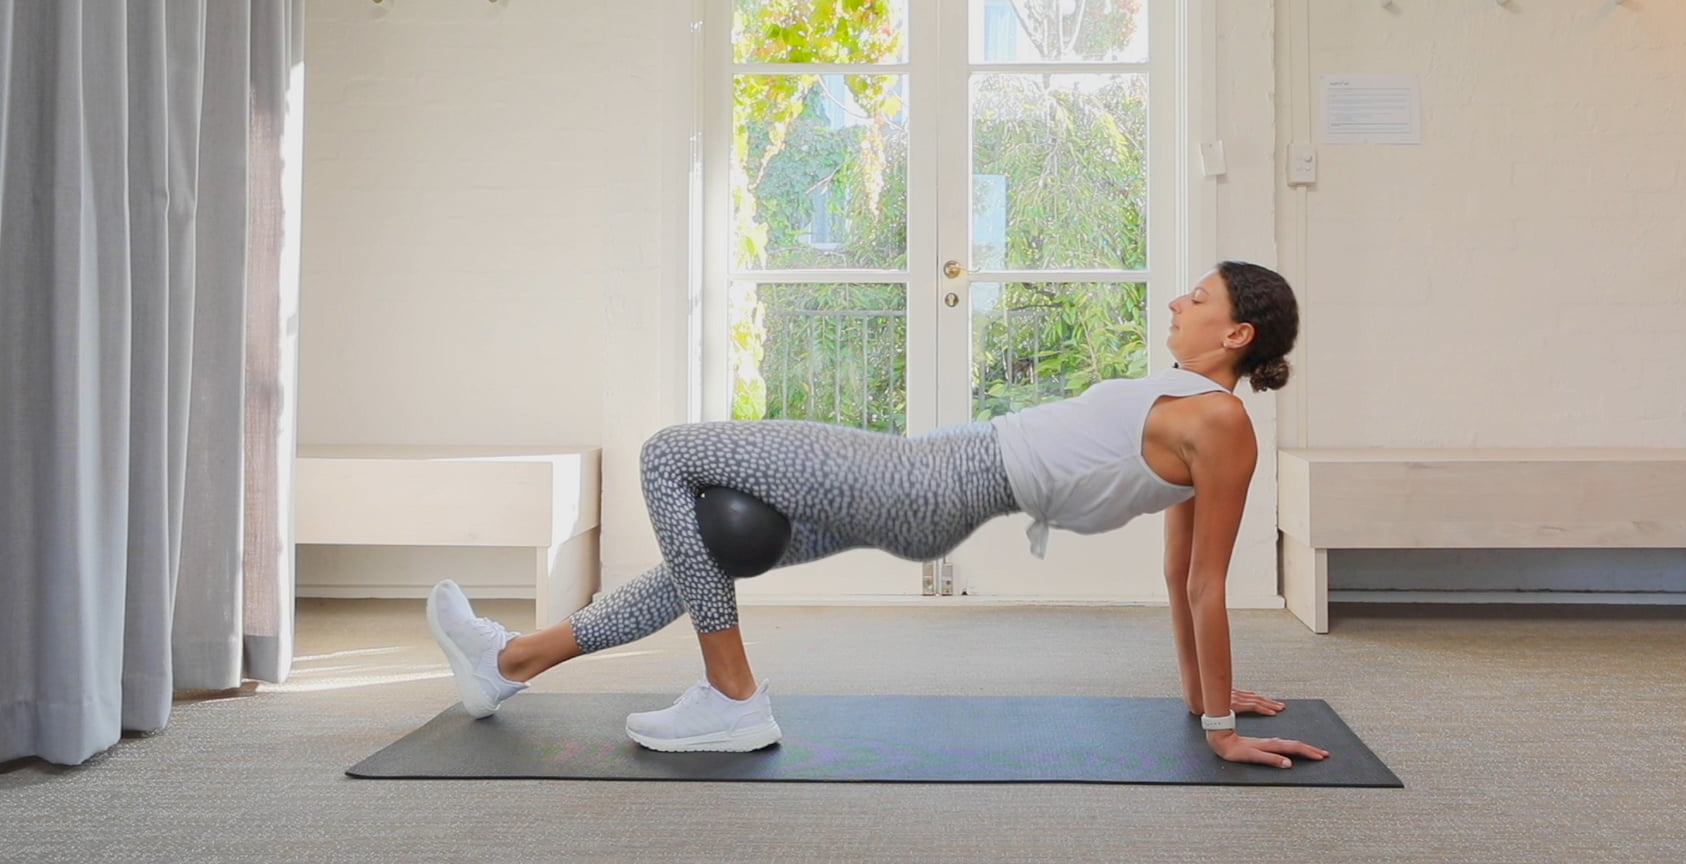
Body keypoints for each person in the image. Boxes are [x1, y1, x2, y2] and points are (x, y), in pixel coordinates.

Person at [427, 261, 1329, 770]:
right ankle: (506, 664)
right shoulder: (1190, 403)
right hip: (939, 486)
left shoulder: (1219, 423)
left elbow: (1203, 579)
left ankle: (733, 695)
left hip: (925, 480)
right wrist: (1203, 699)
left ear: (1237, 334)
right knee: (709, 549)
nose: (1177, 300)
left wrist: (1219, 729)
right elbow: (1179, 578)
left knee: (670, 452)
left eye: (1199, 298)